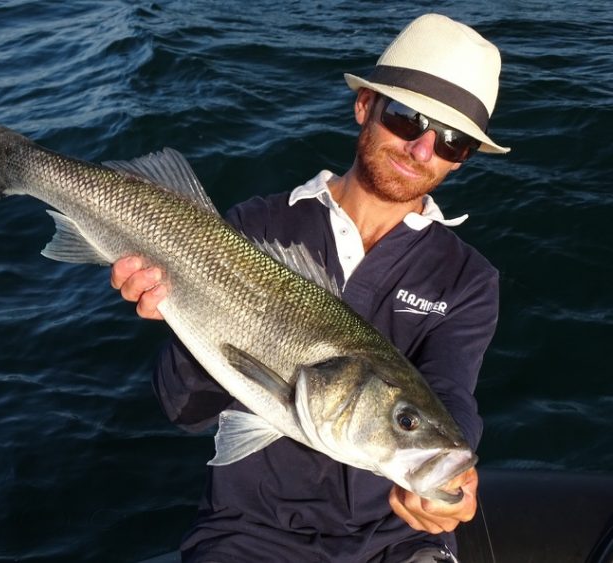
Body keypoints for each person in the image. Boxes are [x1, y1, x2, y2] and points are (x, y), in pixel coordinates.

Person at [113, 13, 508, 563]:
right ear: (364, 106)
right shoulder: (258, 227)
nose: (423, 151)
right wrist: (179, 315)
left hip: (397, 539)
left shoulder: (468, 278)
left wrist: (455, 476)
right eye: (407, 119)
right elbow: (181, 409)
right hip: (250, 530)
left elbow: (450, 392)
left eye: (453, 142)